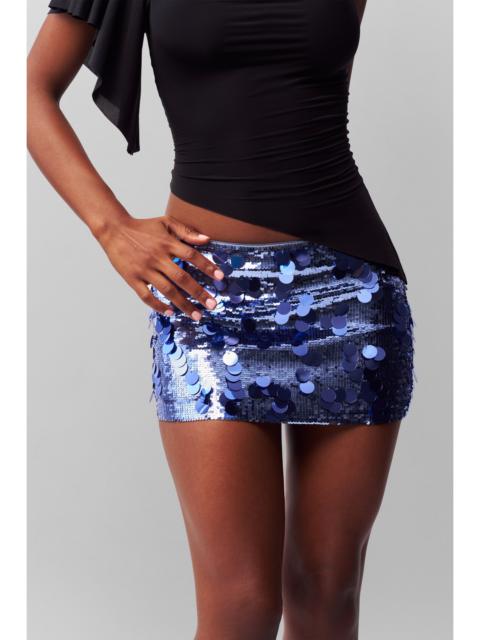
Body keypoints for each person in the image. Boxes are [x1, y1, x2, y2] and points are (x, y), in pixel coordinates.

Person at [27, 1, 415, 638]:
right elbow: (30, 91)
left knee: (328, 591)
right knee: (242, 603)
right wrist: (111, 227)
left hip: (351, 296)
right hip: (204, 302)